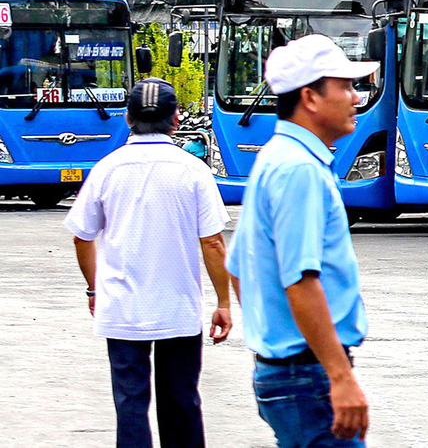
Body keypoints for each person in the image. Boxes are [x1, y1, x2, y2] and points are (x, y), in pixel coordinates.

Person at [66, 77, 232, 448]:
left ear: (128, 118)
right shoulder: (193, 170)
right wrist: (223, 302)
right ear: (175, 120)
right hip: (178, 309)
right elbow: (213, 242)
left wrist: (95, 289)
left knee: (130, 404)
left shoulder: (107, 169)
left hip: (122, 308)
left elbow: (82, 236)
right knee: (182, 403)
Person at [226, 34, 373, 447]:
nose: (355, 98)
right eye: (344, 86)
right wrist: (338, 376)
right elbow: (300, 279)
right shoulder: (299, 171)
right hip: (306, 376)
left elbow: (239, 268)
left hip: (291, 371)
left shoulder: (276, 158)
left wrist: (273, 334)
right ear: (310, 97)